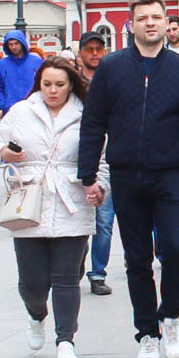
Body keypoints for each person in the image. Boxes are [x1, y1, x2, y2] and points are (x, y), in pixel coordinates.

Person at [80, 0, 179, 358]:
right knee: (136, 259)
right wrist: (88, 175)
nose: (151, 23)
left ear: (166, 22)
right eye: (142, 18)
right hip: (127, 176)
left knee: (174, 248)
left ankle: (170, 317)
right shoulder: (111, 69)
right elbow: (93, 123)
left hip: (172, 174)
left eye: (157, 17)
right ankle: (147, 333)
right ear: (131, 26)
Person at [0, 56, 103, 358]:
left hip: (71, 200)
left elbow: (102, 155)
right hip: (29, 199)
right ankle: (36, 315)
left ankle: (66, 341)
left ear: (71, 85)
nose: (53, 90)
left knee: (66, 279)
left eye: (60, 85)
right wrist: (3, 153)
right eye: (47, 84)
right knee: (32, 282)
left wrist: (98, 185)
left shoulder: (85, 113)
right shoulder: (22, 111)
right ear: (39, 83)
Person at [75, 30, 115, 296]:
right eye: (89, 49)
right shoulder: (70, 84)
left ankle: (98, 273)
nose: (94, 54)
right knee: (77, 221)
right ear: (80, 54)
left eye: (99, 49)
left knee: (103, 220)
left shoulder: (113, 80)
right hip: (75, 161)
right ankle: (75, 263)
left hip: (106, 160)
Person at [0, 31, 42, 115]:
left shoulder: (37, 61)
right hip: (11, 110)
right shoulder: (2, 64)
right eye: (10, 44)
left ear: (22, 43)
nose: (14, 47)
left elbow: (44, 84)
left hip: (34, 108)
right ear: (7, 45)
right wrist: (4, 105)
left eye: (16, 43)